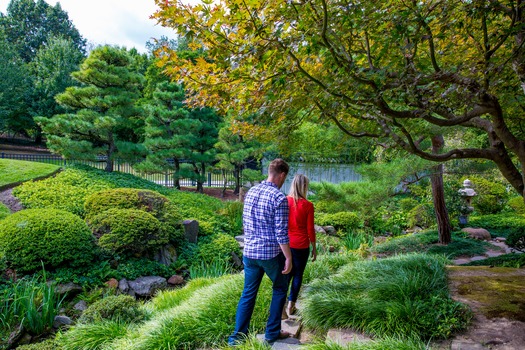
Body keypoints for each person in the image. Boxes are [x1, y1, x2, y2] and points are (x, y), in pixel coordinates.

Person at [228, 158, 293, 345]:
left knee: (248, 293)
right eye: (284, 177)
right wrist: (288, 257)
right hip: (270, 254)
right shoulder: (279, 198)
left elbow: (246, 223)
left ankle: (237, 338)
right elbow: (281, 233)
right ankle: (272, 333)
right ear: (281, 175)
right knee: (280, 288)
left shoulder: (251, 192)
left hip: (249, 253)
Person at [283, 174, 316, 318]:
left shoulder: (285, 201)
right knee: (298, 275)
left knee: (286, 275)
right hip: (302, 245)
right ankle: (291, 305)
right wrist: (314, 247)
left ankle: (281, 306)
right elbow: (310, 229)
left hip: (286, 244)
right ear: (304, 187)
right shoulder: (308, 205)